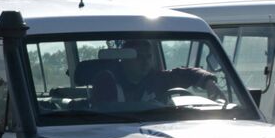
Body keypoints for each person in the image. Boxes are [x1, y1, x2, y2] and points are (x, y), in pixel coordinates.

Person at [90, 39, 220, 105]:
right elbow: (100, 116)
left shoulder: (157, 79)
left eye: (148, 57)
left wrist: (209, 82)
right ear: (125, 59)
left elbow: (188, 74)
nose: (145, 62)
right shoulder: (107, 81)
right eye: (139, 57)